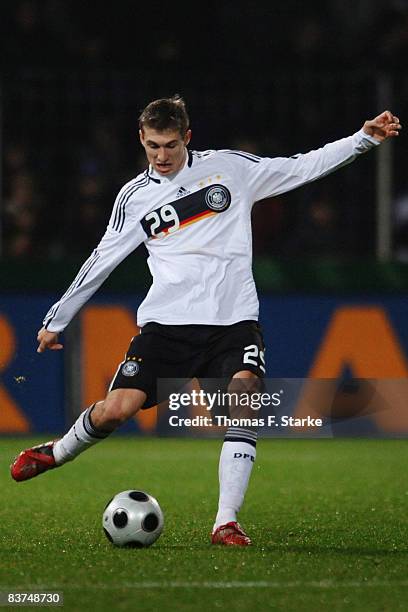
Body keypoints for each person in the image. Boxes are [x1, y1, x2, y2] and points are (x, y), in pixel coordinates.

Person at [10, 96, 401, 546]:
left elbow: (299, 167)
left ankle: (226, 521)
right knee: (118, 409)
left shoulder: (230, 169)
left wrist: (362, 140)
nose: (161, 156)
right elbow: (102, 258)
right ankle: (55, 453)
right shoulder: (134, 197)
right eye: (153, 146)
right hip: (166, 326)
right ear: (141, 139)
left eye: (171, 146)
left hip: (233, 321)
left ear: (187, 138)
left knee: (245, 396)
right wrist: (58, 318)